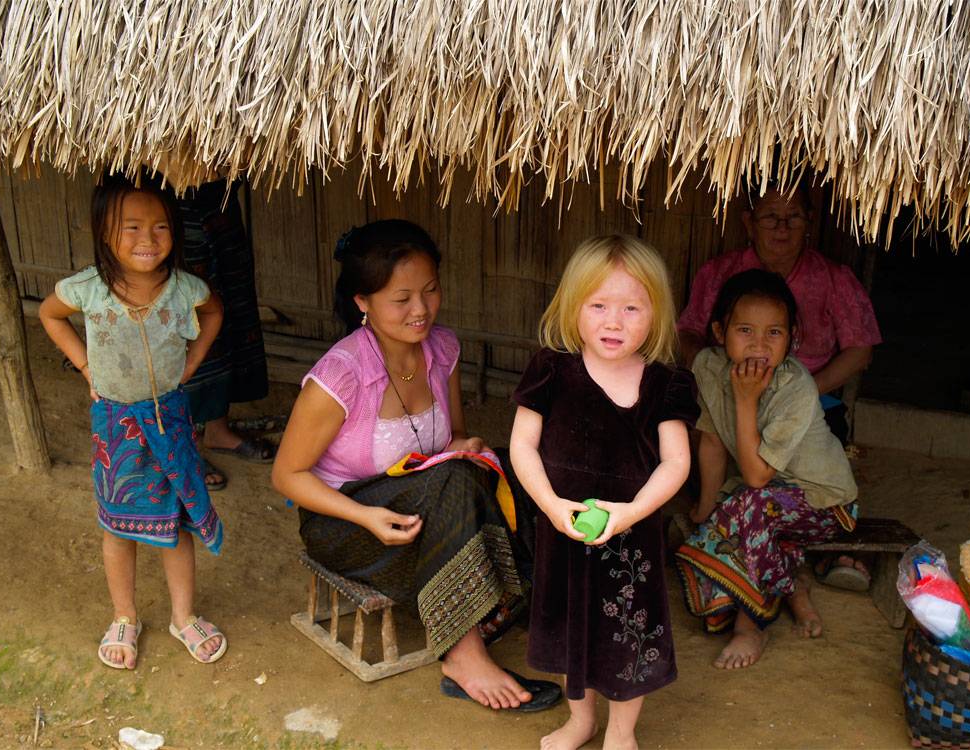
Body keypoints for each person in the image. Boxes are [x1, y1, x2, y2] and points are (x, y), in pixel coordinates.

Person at [271, 220, 560, 711]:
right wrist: (364, 515)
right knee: (455, 477)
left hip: (420, 496)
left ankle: (535, 599)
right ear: (363, 301)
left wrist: (471, 447)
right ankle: (462, 654)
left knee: (517, 465)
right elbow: (286, 476)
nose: (421, 309)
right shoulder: (341, 376)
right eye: (401, 298)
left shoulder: (441, 348)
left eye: (430, 290)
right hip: (345, 521)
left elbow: (448, 441)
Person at [509, 235, 698, 750]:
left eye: (632, 308)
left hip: (631, 541)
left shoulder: (667, 383)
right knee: (570, 630)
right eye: (598, 305)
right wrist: (551, 507)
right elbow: (522, 446)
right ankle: (580, 721)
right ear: (573, 307)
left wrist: (632, 511)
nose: (614, 322)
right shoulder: (551, 368)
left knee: (628, 641)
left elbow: (677, 461)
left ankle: (621, 733)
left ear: (656, 315)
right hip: (563, 529)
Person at [38, 177, 228, 669]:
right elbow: (49, 314)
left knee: (176, 516)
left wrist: (193, 361)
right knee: (117, 524)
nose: (148, 238)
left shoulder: (186, 288)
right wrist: (85, 367)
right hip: (114, 422)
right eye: (132, 227)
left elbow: (214, 313)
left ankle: (183, 616)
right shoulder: (87, 289)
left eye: (161, 226)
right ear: (104, 232)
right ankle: (125, 615)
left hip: (170, 418)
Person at [674, 269, 859, 670]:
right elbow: (711, 441)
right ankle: (793, 586)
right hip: (760, 493)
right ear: (720, 333)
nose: (760, 344)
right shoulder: (707, 365)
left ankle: (750, 622)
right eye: (745, 330)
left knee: (751, 505)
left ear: (792, 339)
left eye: (774, 333)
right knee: (724, 514)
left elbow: (758, 479)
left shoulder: (796, 387)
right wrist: (706, 508)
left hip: (822, 502)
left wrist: (746, 400)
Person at [676, 183, 882, 442]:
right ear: (749, 222)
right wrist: (717, 374)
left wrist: (803, 390)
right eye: (770, 217)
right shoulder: (718, 272)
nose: (782, 227)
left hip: (810, 399)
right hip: (730, 392)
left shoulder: (834, 278)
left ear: (809, 220)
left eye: (793, 217)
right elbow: (688, 333)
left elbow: (861, 351)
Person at [177, 179, 274, 491]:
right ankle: (180, 445)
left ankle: (217, 429)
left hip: (213, 189)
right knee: (180, 313)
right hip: (165, 196)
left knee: (227, 299)